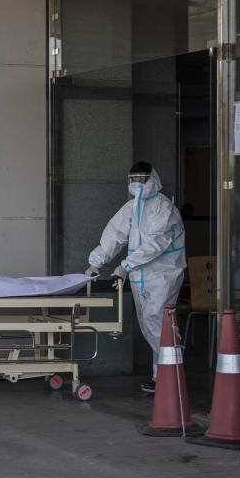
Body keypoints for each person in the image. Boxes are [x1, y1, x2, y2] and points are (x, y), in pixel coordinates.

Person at [85, 162, 187, 394]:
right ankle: (161, 375)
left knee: (158, 322)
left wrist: (126, 265)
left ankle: (171, 375)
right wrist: (96, 262)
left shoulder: (164, 208)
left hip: (163, 275)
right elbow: (114, 234)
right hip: (140, 275)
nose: (137, 184)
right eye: (134, 179)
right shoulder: (132, 207)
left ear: (153, 179)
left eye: (142, 179)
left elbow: (156, 244)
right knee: (149, 324)